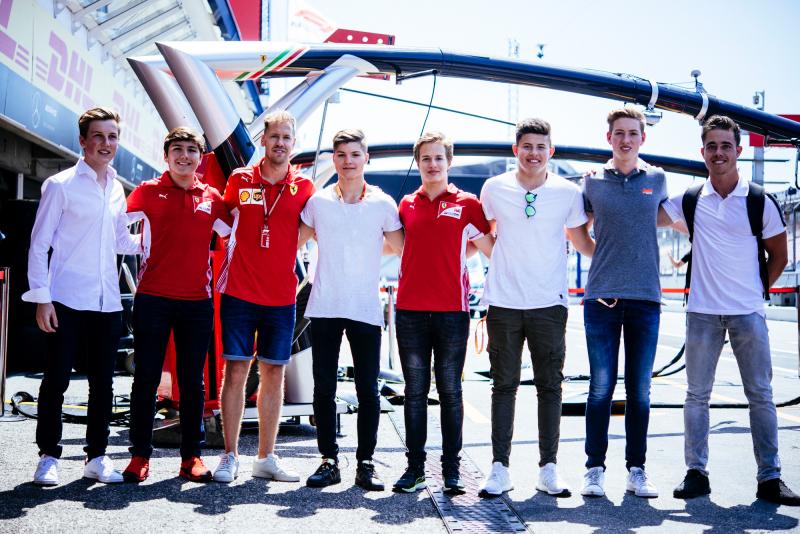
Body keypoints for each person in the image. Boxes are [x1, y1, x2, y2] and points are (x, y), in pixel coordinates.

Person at [662, 115, 798, 505]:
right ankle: (696, 473)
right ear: (702, 151)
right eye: (712, 146)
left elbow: (779, 256)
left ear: (737, 150)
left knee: (761, 395)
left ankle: (770, 478)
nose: (718, 153)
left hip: (748, 314)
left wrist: (754, 292)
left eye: (725, 146)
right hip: (702, 313)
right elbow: (642, 212)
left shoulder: (759, 201)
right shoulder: (689, 200)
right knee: (696, 396)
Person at [478, 118, 595, 498]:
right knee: (503, 385)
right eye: (527, 146)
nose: (534, 153)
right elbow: (482, 233)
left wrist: (617, 264)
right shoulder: (494, 188)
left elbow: (582, 241)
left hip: (549, 303)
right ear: (516, 150)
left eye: (541, 147)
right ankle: (499, 468)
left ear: (551, 151)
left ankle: (549, 468)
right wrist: (504, 261)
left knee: (550, 386)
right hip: (504, 302)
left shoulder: (567, 193)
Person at [24, 107, 140, 485]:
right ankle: (48, 456)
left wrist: (157, 237)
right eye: (98, 136)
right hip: (65, 300)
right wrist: (42, 298)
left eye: (112, 137)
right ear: (83, 141)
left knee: (103, 384)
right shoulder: (60, 185)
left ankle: (97, 457)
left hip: (107, 302)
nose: (106, 143)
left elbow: (121, 242)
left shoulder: (117, 188)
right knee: (56, 381)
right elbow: (39, 245)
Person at [122, 127, 232, 483]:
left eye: (191, 150)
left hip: (197, 302)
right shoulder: (147, 191)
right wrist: (140, 248)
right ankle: (139, 455)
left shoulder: (212, 197)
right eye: (178, 150)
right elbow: (116, 228)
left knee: (193, 382)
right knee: (146, 378)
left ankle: (192, 457)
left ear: (200, 157)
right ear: (166, 156)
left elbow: (234, 236)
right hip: (152, 298)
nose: (185, 156)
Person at [212, 111, 314, 483]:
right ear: (263, 140)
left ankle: (266, 457)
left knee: (273, 373)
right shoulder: (240, 179)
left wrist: (287, 247)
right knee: (236, 370)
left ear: (293, 143)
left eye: (286, 137)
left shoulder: (304, 187)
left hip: (281, 297)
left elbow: (311, 226)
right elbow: (224, 221)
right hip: (239, 292)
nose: (280, 143)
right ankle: (229, 455)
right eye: (274, 137)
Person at [299, 129, 404, 491]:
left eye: (355, 154)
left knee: (368, 391)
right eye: (341, 155)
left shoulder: (383, 204)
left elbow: (403, 248)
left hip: (364, 308)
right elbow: (291, 242)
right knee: (323, 388)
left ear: (366, 158)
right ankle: (328, 461)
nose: (348, 161)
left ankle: (366, 463)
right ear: (334, 159)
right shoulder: (318, 202)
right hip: (325, 305)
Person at [391, 132, 494, 494]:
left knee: (450, 390)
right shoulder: (406, 204)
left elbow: (489, 248)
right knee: (415, 392)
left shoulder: (467, 204)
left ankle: (452, 469)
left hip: (452, 311)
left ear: (449, 162)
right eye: (426, 158)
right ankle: (415, 468)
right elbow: (401, 246)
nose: (432, 165)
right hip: (410, 311)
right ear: (417, 163)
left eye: (438, 158)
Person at [581, 108, 669, 498]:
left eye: (633, 133)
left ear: (642, 139)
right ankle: (594, 469)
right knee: (601, 387)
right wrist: (603, 257)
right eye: (619, 133)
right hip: (602, 298)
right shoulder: (592, 182)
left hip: (646, 298)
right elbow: (576, 230)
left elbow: (669, 219)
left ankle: (637, 469)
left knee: (640, 391)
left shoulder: (658, 180)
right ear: (609, 138)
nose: (626, 139)